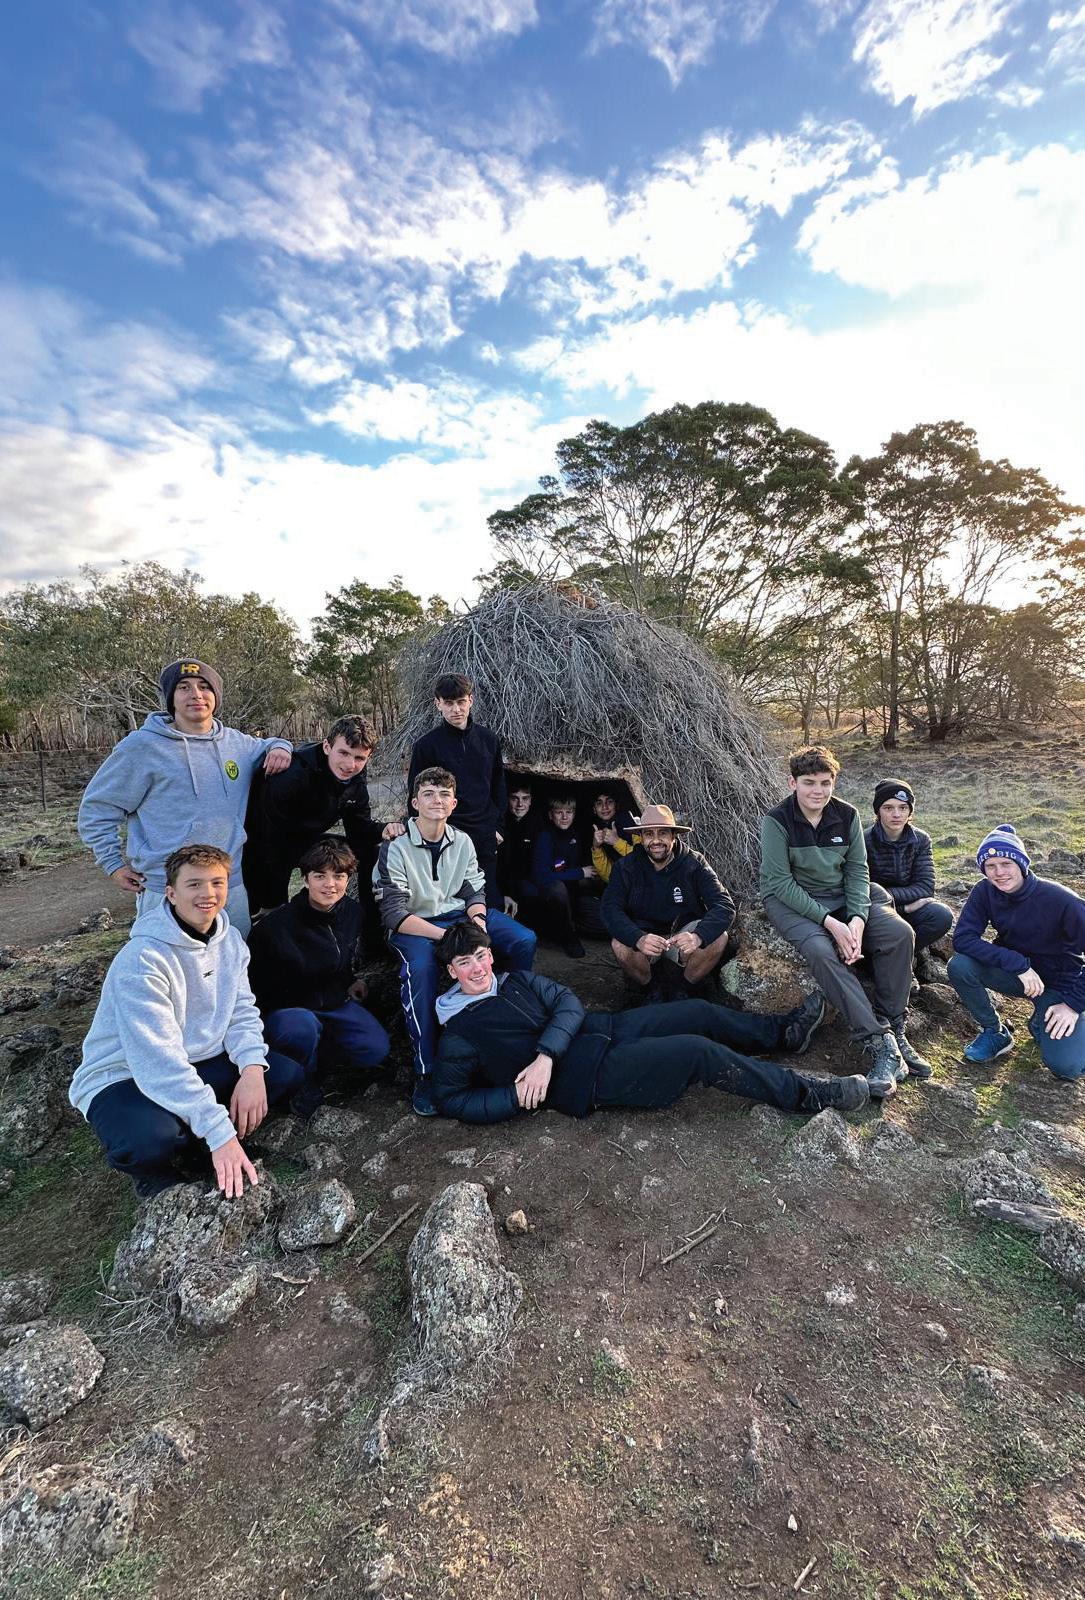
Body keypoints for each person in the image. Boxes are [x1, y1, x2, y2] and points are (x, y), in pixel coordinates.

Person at [430, 922, 861, 1124]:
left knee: (696, 1012)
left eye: (481, 956)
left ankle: (785, 1033)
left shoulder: (515, 981)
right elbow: (451, 1098)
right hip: (586, 1078)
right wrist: (517, 1095)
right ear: (451, 971)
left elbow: (568, 1004)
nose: (477, 969)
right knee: (696, 1051)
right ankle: (805, 1094)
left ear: (491, 955)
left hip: (601, 1030)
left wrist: (545, 1055)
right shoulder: (459, 1033)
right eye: (465, 963)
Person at [69, 844, 304, 1200]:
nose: (207, 894)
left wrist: (252, 1069)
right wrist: (220, 1132)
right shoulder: (143, 959)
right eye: (194, 884)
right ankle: (154, 1172)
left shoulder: (230, 942)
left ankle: (196, 1140)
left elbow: (241, 1011)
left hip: (200, 1058)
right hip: (126, 1073)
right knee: (149, 1140)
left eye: (217, 883)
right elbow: (157, 1060)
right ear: (171, 893)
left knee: (283, 1075)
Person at [78, 658, 292, 937]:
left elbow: (272, 744)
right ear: (171, 698)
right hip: (167, 887)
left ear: (216, 695)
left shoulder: (237, 744)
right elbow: (98, 809)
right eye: (184, 687)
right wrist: (113, 864)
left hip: (228, 885)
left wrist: (281, 747)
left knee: (234, 957)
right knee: (168, 960)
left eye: (204, 687)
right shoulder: (142, 747)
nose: (196, 694)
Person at [760, 745, 928, 1098]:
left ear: (833, 782)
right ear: (793, 783)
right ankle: (878, 1042)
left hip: (841, 894)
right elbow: (780, 882)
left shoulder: (847, 815)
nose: (817, 791)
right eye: (809, 783)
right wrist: (831, 924)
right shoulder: (777, 820)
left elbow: (857, 871)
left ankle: (895, 1028)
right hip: (791, 900)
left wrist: (856, 920)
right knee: (822, 952)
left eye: (825, 782)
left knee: (900, 933)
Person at [373, 766, 536, 1116]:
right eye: (429, 794)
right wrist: (449, 938)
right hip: (416, 925)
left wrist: (477, 924)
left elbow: (473, 890)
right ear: (415, 802)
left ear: (454, 803)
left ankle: (516, 1022)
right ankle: (426, 1070)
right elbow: (394, 914)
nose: (437, 800)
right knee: (421, 971)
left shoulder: (461, 841)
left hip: (460, 917)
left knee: (523, 939)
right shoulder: (395, 847)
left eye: (444, 795)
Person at [247, 836, 391, 1116]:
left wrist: (350, 981)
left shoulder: (352, 913)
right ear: (305, 879)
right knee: (300, 1027)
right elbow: (254, 988)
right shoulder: (274, 929)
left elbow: (340, 956)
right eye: (320, 876)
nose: (330, 884)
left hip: (334, 1003)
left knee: (375, 1049)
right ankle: (301, 1077)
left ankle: (322, 1052)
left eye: (339, 876)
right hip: (289, 1011)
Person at [947, 824, 1085, 1078]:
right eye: (990, 866)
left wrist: (1073, 1006)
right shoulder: (985, 891)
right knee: (961, 965)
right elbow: (963, 939)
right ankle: (995, 1032)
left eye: (1006, 864)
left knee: (1066, 1068)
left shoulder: (1062, 900)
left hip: (1060, 985)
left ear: (1021, 864)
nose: (999, 873)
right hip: (1018, 974)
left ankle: (1050, 1018)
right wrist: (1018, 963)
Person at [243, 715, 403, 916]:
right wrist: (275, 903)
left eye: (359, 758)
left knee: (370, 850)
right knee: (266, 910)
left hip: (306, 840)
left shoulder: (355, 778)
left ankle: (367, 922)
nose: (350, 764)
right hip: (260, 843)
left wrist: (384, 829)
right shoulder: (292, 776)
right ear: (327, 747)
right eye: (343, 753)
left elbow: (359, 830)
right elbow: (268, 838)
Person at [602, 803, 734, 1000]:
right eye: (649, 834)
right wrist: (638, 938)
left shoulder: (694, 862)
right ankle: (650, 989)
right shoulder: (625, 867)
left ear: (673, 836)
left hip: (682, 935)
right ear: (641, 837)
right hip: (645, 935)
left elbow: (724, 905)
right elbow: (609, 909)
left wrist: (697, 936)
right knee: (619, 943)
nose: (656, 840)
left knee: (719, 937)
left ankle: (685, 988)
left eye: (662, 833)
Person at [407, 674, 506, 908]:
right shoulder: (426, 746)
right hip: (446, 835)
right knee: (450, 902)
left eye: (461, 702)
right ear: (438, 703)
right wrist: (423, 837)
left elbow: (499, 786)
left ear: (471, 700)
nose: (456, 709)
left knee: (490, 901)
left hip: (484, 834)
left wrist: (498, 828)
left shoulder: (489, 740)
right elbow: (415, 795)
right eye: (449, 703)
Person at [864, 780, 954, 983]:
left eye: (903, 808)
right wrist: (905, 907)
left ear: (910, 811)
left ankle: (898, 957)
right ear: (878, 811)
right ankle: (875, 962)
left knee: (941, 915)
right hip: (877, 912)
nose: (896, 814)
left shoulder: (921, 840)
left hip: (905, 907)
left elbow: (925, 887)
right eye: (888, 808)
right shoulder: (863, 841)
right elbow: (864, 891)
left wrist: (898, 902)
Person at [529, 794, 606, 958]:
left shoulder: (575, 835)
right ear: (551, 815)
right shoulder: (545, 837)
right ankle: (568, 935)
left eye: (569, 812)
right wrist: (580, 873)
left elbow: (580, 867)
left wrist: (585, 875)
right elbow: (542, 876)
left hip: (571, 890)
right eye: (559, 812)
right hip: (548, 893)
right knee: (558, 888)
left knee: (594, 881)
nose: (564, 817)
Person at [497, 780, 538, 920]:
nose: (520, 804)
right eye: (515, 798)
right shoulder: (500, 823)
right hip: (503, 884)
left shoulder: (538, 825)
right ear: (507, 800)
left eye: (525, 798)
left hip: (530, 884)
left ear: (531, 800)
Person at [589, 787, 634, 884]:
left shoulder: (630, 823)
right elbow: (608, 876)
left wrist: (616, 842)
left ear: (616, 805)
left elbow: (645, 861)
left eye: (609, 802)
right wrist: (596, 848)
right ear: (594, 809)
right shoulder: (598, 829)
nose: (604, 807)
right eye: (599, 803)